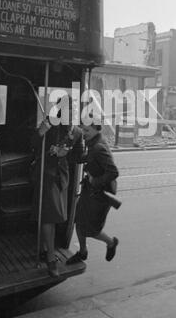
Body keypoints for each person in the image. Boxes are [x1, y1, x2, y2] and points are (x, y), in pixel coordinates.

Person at [31, 96, 83, 278]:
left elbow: (79, 157)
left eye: (73, 110)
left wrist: (68, 152)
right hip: (46, 174)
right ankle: (51, 258)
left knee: (53, 216)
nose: (71, 113)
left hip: (62, 177)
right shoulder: (50, 126)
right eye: (67, 110)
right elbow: (34, 146)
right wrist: (40, 133)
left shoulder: (77, 132)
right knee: (49, 216)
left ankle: (46, 248)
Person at [66, 121, 119, 265]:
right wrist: (71, 145)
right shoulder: (92, 143)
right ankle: (82, 252)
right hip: (89, 191)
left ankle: (111, 243)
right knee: (79, 221)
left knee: (92, 229)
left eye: (87, 130)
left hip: (100, 195)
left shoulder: (98, 147)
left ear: (97, 130)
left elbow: (113, 172)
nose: (84, 133)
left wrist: (96, 181)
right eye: (83, 130)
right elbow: (83, 158)